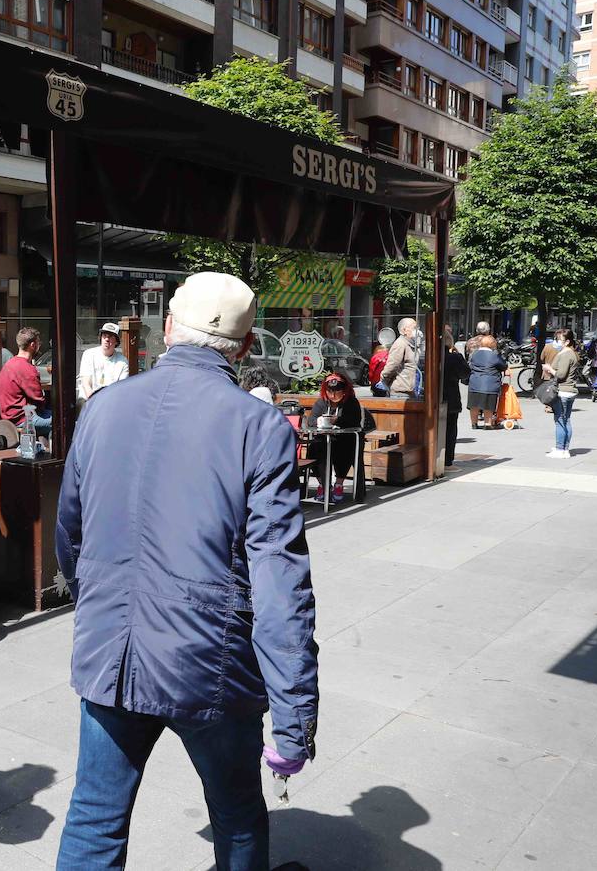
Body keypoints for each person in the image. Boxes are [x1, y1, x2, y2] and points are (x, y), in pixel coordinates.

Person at [55, 272, 318, 871]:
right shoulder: (260, 426)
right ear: (245, 347)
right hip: (210, 659)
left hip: (111, 653)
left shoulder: (101, 408)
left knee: (94, 816)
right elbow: (280, 578)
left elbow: (69, 534)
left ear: (166, 329)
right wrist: (294, 712)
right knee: (237, 816)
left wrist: (99, 600)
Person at [305, 371, 363, 502]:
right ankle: (322, 484)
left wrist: (337, 420)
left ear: (344, 391)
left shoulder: (351, 403)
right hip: (323, 438)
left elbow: (355, 420)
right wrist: (320, 421)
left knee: (345, 448)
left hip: (343, 438)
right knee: (314, 449)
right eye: (330, 392)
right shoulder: (321, 403)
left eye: (337, 392)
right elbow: (311, 420)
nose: (333, 395)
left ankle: (339, 484)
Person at [0, 327, 51, 437]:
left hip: (9, 418)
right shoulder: (27, 368)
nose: (39, 345)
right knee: (66, 422)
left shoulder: (9, 364)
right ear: (33, 345)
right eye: (38, 343)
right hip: (23, 420)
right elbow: (39, 400)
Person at [544, 329, 581, 459]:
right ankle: (564, 448)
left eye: (560, 340)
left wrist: (549, 369)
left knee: (560, 420)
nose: (558, 342)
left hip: (563, 391)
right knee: (566, 420)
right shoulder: (571, 353)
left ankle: (561, 449)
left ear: (567, 341)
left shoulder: (566, 354)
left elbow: (561, 374)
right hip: (569, 391)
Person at [77, 322, 129, 403]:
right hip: (88, 401)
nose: (107, 339)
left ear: (116, 341)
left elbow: (120, 389)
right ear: (100, 338)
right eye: (104, 335)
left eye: (111, 336)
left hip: (110, 402)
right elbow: (86, 383)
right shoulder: (88, 354)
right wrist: (94, 402)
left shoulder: (123, 362)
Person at [442, 326, 470, 471]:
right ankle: (447, 461)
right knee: (450, 430)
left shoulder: (428, 356)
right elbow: (465, 374)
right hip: (451, 398)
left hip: (431, 397)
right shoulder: (455, 357)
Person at [467, 334, 507, 430]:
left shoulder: (474, 354)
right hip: (489, 384)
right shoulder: (494, 355)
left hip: (475, 383)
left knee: (474, 405)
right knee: (488, 405)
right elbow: (503, 366)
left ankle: (474, 423)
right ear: (492, 344)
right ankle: (487, 423)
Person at [379, 318, 421, 398]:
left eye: (417, 328)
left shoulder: (411, 344)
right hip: (401, 393)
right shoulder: (400, 344)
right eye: (414, 328)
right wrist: (384, 379)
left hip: (410, 392)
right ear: (404, 330)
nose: (417, 331)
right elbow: (392, 366)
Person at [368, 330, 392, 397]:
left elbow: (371, 371)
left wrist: (370, 380)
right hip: (388, 382)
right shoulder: (392, 356)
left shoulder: (375, 357)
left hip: (377, 382)